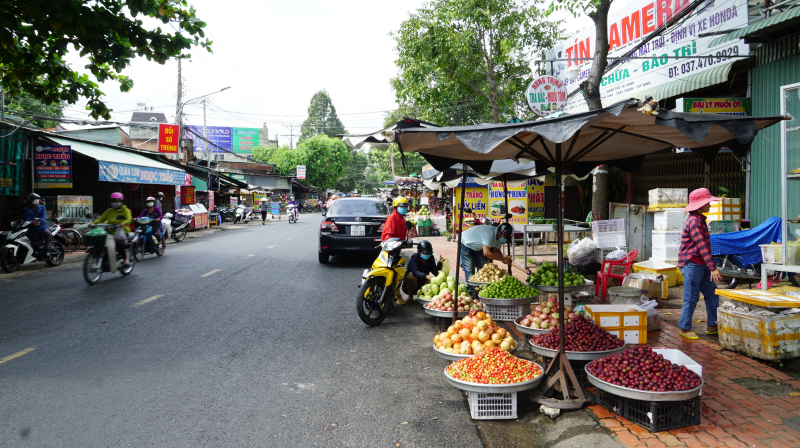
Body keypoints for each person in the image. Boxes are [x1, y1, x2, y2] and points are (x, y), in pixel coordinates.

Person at [677, 188, 723, 340]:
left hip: (701, 264)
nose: (710, 205)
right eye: (708, 202)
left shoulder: (700, 219)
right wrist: (713, 268)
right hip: (692, 264)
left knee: (712, 293)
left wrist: (709, 266)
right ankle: (685, 328)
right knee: (691, 297)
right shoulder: (694, 222)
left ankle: (712, 325)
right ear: (700, 205)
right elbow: (702, 246)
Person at [93, 192, 133, 268]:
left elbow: (129, 219)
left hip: (122, 232)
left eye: (117, 201)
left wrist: (124, 223)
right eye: (114, 201)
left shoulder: (125, 210)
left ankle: (126, 259)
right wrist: (93, 223)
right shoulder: (109, 211)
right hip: (110, 232)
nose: (115, 203)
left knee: (118, 243)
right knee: (101, 242)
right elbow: (101, 219)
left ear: (121, 201)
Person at [400, 240, 442, 305]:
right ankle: (410, 297)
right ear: (418, 251)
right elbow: (415, 272)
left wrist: (440, 263)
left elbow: (435, 272)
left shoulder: (431, 258)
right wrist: (427, 276)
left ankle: (426, 296)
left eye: (428, 254)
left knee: (436, 280)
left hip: (422, 283)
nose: (427, 255)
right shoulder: (414, 257)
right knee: (411, 276)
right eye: (425, 253)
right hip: (410, 286)